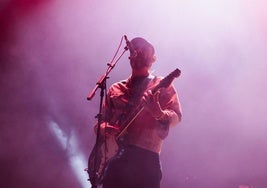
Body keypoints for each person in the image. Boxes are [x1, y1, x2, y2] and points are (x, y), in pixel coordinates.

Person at [97, 37, 182, 188]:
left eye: (145, 50)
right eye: (135, 50)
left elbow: (176, 116)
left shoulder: (161, 84)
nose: (139, 52)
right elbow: (101, 121)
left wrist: (159, 113)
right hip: (115, 159)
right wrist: (103, 128)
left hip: (145, 160)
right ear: (130, 56)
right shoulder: (116, 89)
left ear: (153, 59)